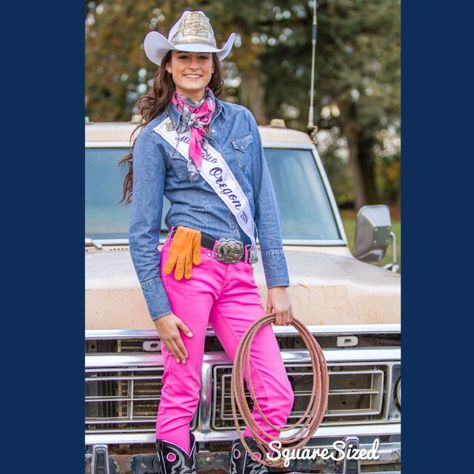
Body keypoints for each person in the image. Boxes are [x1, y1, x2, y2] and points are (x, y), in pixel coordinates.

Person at [121, 10, 295, 474]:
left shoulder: (241, 122)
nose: (193, 64)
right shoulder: (156, 137)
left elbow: (265, 202)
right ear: (170, 65)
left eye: (203, 57)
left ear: (215, 65)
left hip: (239, 273)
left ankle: (247, 461)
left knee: (278, 392)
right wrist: (159, 310)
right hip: (185, 266)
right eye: (184, 57)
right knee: (181, 386)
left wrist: (277, 280)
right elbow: (141, 233)